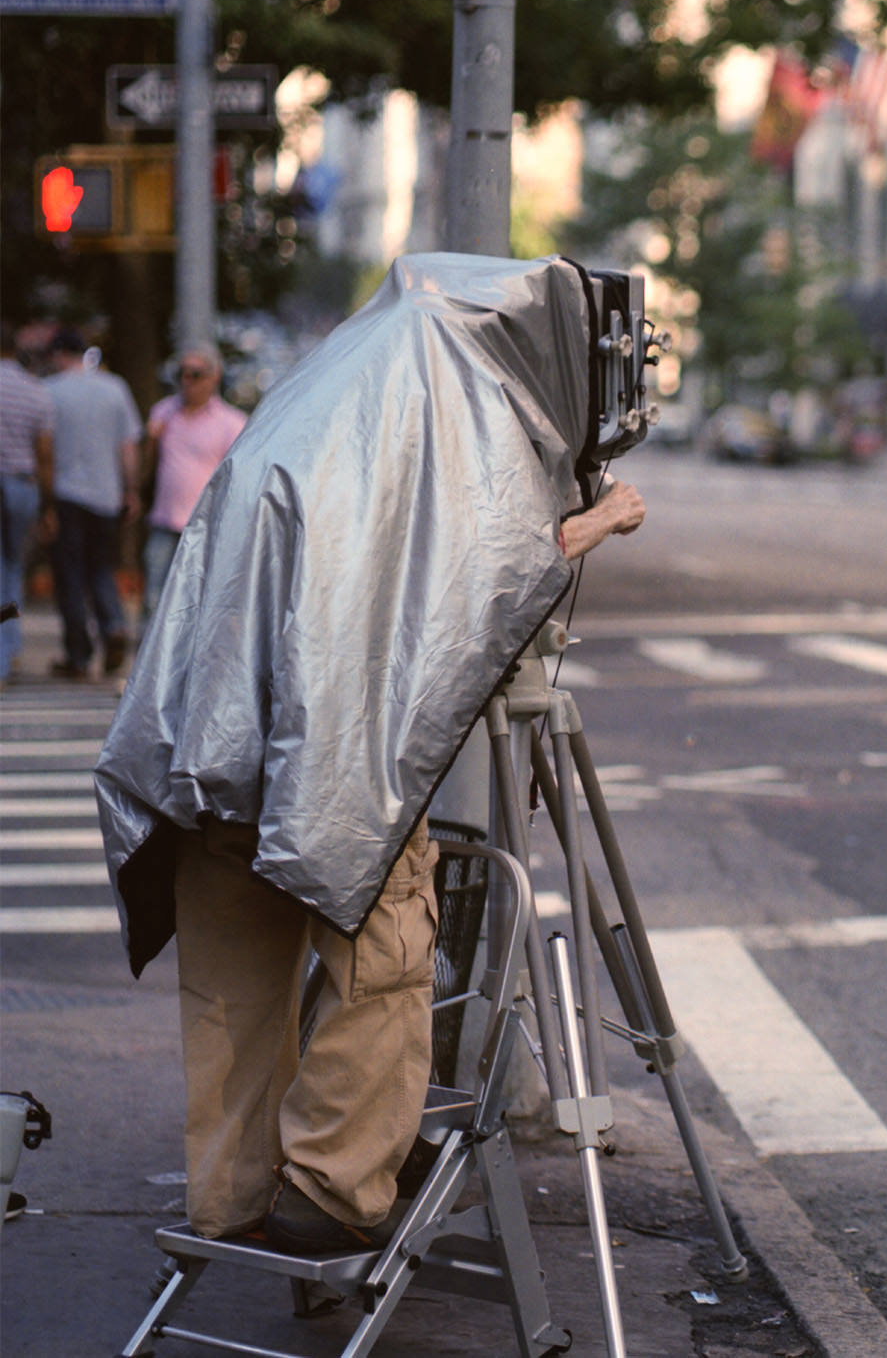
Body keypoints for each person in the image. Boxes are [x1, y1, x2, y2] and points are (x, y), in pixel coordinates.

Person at [94, 255, 646, 1254]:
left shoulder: (322, 392)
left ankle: (227, 1198)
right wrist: (597, 519)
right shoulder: (436, 410)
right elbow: (478, 584)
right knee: (383, 961)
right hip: (328, 759)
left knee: (232, 985)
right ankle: (335, 1188)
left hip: (203, 753)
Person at [44, 327, 141, 678]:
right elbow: (128, 447)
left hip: (66, 493)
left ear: (57, 355)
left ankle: (78, 654)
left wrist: (45, 506)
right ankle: (113, 625)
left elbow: (43, 449)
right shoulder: (115, 388)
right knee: (101, 567)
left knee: (69, 575)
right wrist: (130, 491)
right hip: (106, 495)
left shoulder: (49, 391)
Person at [139, 347, 246, 622]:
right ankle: (150, 659)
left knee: (197, 600)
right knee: (154, 595)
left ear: (213, 378)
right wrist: (151, 441)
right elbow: (147, 466)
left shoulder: (231, 423)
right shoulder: (164, 412)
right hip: (165, 519)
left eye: (196, 374)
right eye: (182, 374)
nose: (187, 381)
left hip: (205, 525)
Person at [0, 323, 56, 684]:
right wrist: (48, 505)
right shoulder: (36, 392)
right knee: (13, 570)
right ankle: (8, 654)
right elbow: (45, 454)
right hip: (21, 486)